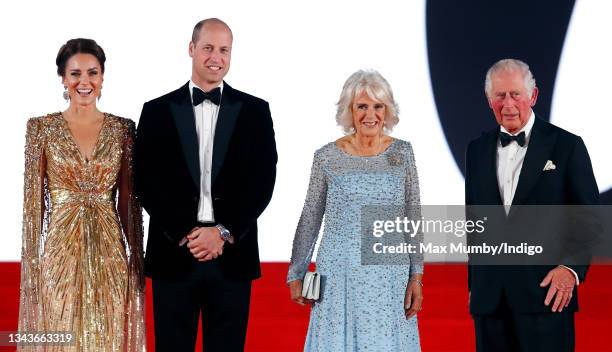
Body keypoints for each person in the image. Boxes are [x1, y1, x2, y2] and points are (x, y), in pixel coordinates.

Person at [134, 18, 277, 352]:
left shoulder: (256, 111)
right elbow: (146, 179)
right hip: (175, 255)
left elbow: (262, 181)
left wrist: (223, 232)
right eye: (209, 48)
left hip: (232, 257)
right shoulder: (156, 111)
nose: (217, 57)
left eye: (224, 50)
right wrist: (186, 231)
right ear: (191, 49)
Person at [18, 38, 145, 351]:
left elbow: (128, 201)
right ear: (63, 78)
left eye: (92, 73)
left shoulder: (123, 129)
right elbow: (32, 207)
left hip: (110, 251)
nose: (84, 82)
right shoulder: (41, 129)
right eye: (75, 74)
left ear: (102, 77)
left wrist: (137, 258)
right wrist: (33, 264)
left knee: (107, 336)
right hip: (60, 252)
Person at [465, 58, 600, 351]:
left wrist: (571, 269)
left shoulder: (567, 146)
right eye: (500, 96)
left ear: (533, 96)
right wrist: (475, 284)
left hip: (546, 295)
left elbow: (590, 217)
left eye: (516, 94)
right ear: (489, 100)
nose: (508, 103)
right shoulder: (476, 150)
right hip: (490, 300)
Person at [287, 70, 424, 351]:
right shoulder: (326, 157)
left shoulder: (403, 154)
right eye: (362, 106)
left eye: (378, 106)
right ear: (350, 110)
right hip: (338, 274)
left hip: (389, 276)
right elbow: (311, 217)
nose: (370, 115)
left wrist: (416, 276)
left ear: (387, 111)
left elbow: (413, 217)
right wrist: (296, 273)